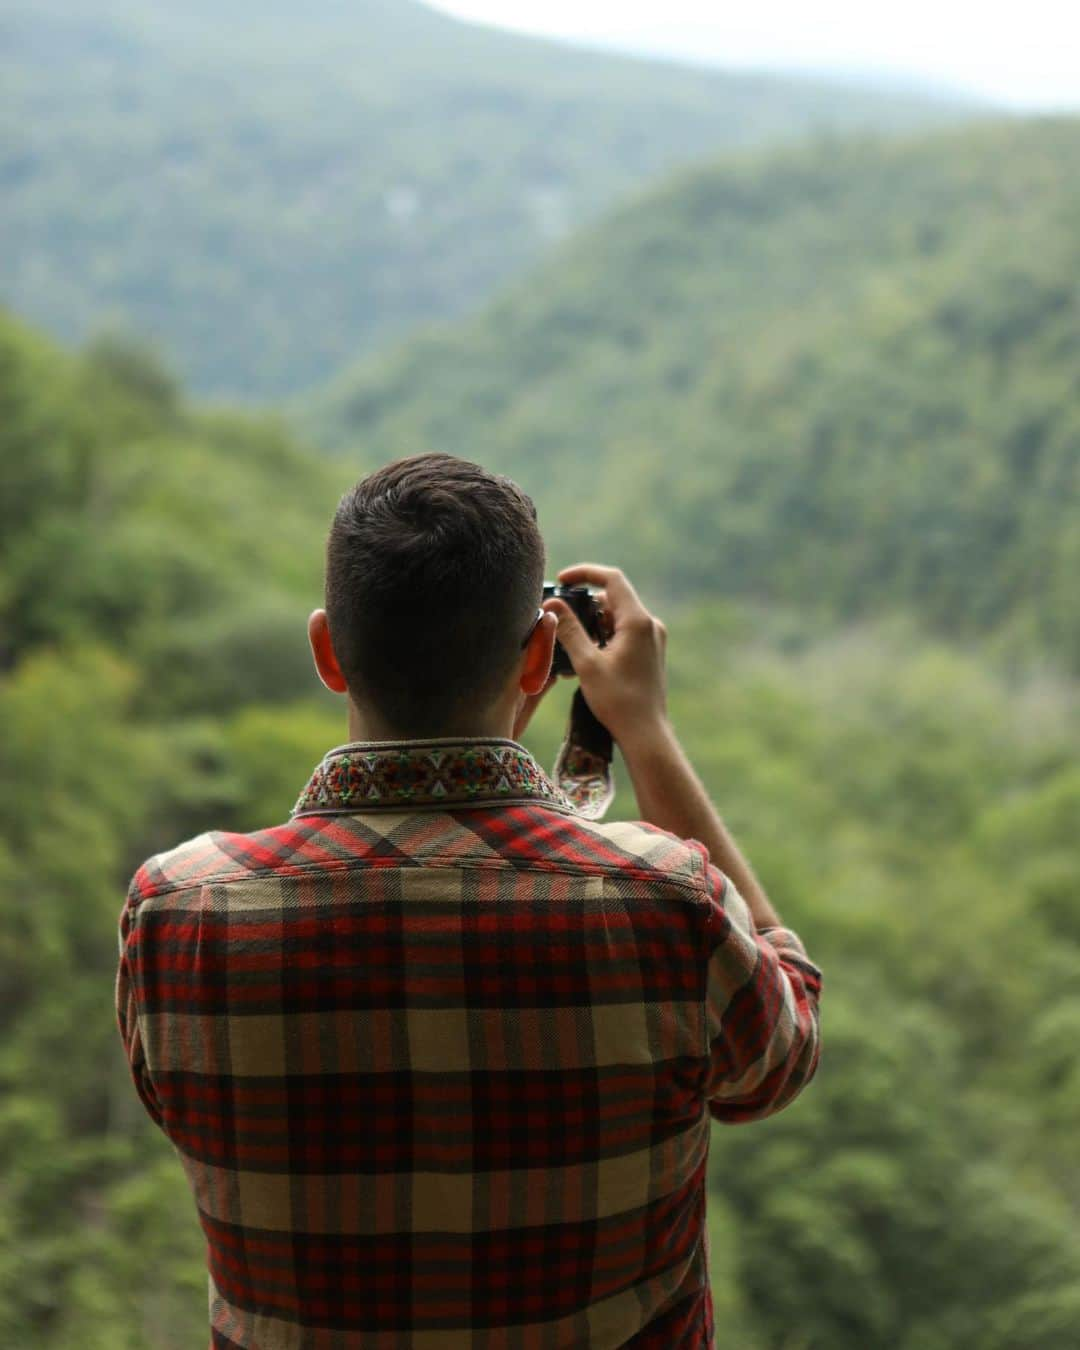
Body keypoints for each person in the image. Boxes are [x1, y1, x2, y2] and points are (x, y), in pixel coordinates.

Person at [116, 452, 822, 1349]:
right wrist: (643, 732)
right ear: (538, 654)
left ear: (328, 651)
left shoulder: (179, 914)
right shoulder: (662, 904)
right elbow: (779, 1060)